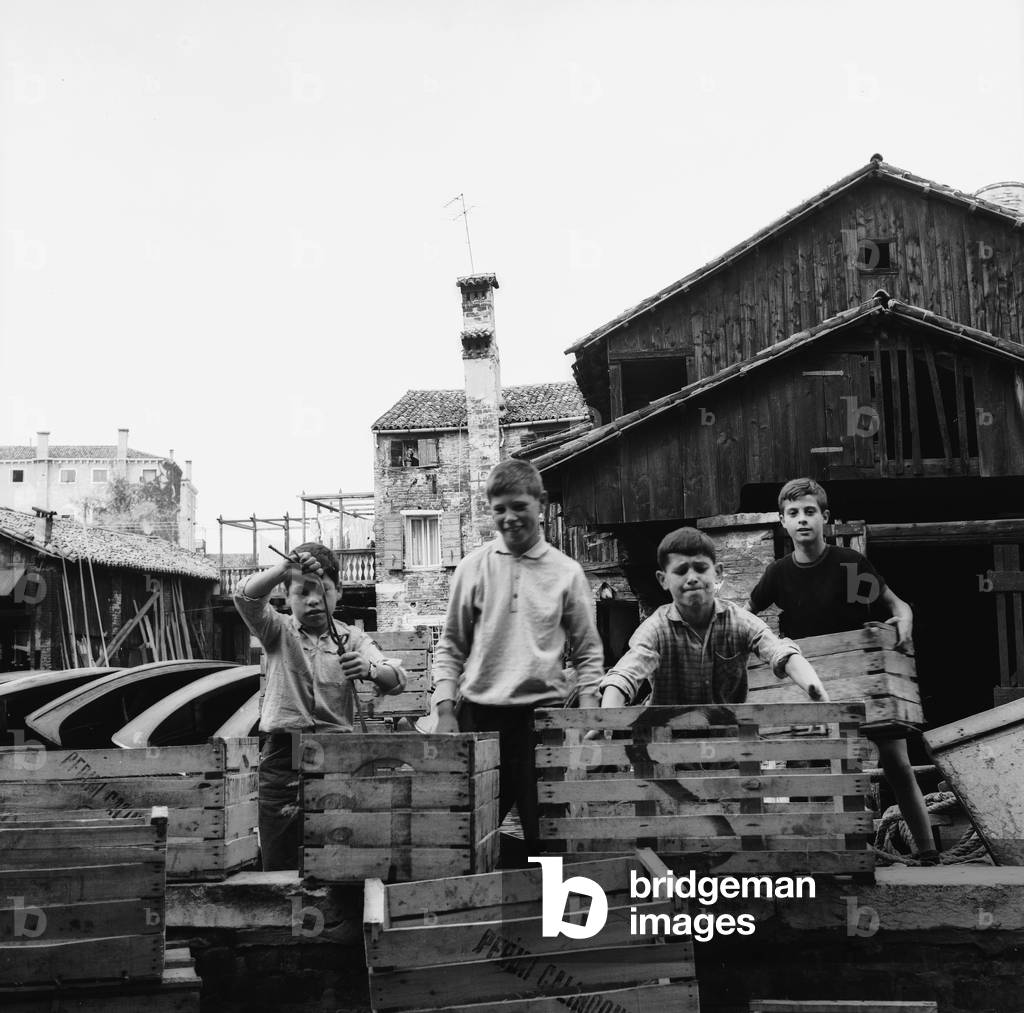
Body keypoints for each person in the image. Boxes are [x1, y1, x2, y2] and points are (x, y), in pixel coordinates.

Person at [748, 477, 937, 864]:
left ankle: (929, 852)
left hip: (862, 678)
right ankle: (821, 854)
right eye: (793, 513)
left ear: (825, 517)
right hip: (812, 685)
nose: (802, 520)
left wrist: (904, 619)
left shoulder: (847, 566)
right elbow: (744, 621)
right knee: (811, 767)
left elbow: (896, 606)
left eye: (810, 512)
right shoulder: (778, 575)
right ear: (783, 521)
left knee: (897, 763)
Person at [430, 459, 605, 856]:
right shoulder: (471, 569)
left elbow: (587, 650)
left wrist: (592, 713)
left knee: (547, 838)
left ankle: (549, 914)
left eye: (519, 506)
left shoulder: (567, 572)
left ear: (540, 504)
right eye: (499, 509)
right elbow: (452, 645)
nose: (509, 518)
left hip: (540, 721)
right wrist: (444, 709)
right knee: (467, 839)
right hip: (480, 718)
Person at [233, 542, 407, 870]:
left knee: (336, 858)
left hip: (336, 758)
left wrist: (370, 671)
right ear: (287, 598)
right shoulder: (277, 630)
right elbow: (246, 597)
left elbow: (396, 679)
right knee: (280, 860)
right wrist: (285, 569)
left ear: (338, 592)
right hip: (283, 755)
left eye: (323, 590)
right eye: (302, 592)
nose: (313, 600)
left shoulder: (352, 639)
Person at [599, 527, 828, 710]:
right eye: (680, 571)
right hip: (668, 748)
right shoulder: (656, 629)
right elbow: (625, 675)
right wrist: (606, 722)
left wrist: (814, 689)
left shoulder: (739, 621)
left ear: (717, 572)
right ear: (663, 579)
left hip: (728, 746)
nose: (691, 578)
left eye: (700, 568)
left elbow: (780, 652)